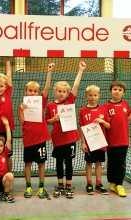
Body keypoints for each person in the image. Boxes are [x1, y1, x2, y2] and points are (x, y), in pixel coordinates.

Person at [46, 61, 86, 199]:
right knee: (58, 163)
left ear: (67, 93)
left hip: (70, 138)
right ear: (55, 92)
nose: (62, 94)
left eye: (64, 92)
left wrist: (80, 70)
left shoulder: (69, 101)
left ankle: (68, 186)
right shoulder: (50, 105)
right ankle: (60, 185)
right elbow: (47, 121)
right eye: (59, 91)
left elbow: (76, 85)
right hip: (58, 139)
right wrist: (54, 120)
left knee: (68, 162)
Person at [18, 63, 54, 199]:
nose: (32, 93)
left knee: (41, 163)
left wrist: (49, 72)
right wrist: (21, 110)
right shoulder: (22, 106)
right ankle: (28, 187)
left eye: (35, 91)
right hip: (28, 140)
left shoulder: (41, 102)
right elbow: (21, 123)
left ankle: (41, 187)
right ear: (25, 91)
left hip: (40, 140)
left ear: (38, 93)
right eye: (30, 91)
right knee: (27, 164)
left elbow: (47, 87)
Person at [103, 81, 131, 197]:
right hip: (110, 140)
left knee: (120, 163)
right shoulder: (106, 106)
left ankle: (119, 184)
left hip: (123, 139)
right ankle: (112, 182)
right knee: (111, 162)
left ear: (123, 93)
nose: (117, 91)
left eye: (120, 90)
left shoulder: (125, 104)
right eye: (115, 89)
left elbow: (128, 117)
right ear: (110, 91)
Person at [78, 85, 110, 195]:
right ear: (86, 96)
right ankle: (89, 184)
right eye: (90, 95)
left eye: (95, 95)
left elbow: (108, 126)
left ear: (99, 96)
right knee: (89, 163)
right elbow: (82, 128)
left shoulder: (103, 110)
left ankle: (98, 184)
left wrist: (102, 121)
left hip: (100, 143)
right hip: (89, 143)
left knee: (99, 163)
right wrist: (83, 142)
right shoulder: (83, 110)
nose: (93, 97)